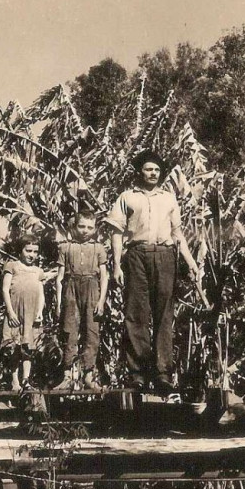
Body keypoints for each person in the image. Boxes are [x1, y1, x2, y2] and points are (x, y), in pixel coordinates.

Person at [105, 152, 200, 399]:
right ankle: (137, 374)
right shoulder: (127, 197)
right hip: (136, 254)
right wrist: (116, 265)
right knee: (136, 314)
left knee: (164, 314)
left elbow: (178, 233)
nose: (152, 174)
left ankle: (162, 374)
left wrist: (190, 263)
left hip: (165, 256)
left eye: (156, 170)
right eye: (148, 169)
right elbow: (116, 232)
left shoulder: (168, 199)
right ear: (140, 171)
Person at [55, 211, 109, 390]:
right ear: (74, 226)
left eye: (89, 227)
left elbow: (104, 277)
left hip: (92, 287)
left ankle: (88, 375)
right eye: (81, 226)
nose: (85, 230)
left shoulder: (98, 248)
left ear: (95, 229)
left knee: (91, 332)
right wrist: (58, 302)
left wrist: (101, 301)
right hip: (71, 287)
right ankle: (67, 375)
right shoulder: (65, 247)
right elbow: (59, 277)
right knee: (69, 331)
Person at [2, 234, 56, 391]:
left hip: (31, 314)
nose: (32, 255)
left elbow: (41, 293)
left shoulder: (37, 271)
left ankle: (25, 380)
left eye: (35, 251)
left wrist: (39, 312)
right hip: (15, 313)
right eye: (28, 251)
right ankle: (14, 381)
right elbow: (5, 290)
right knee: (13, 346)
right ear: (21, 250)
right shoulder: (12, 266)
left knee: (28, 347)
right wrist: (10, 312)